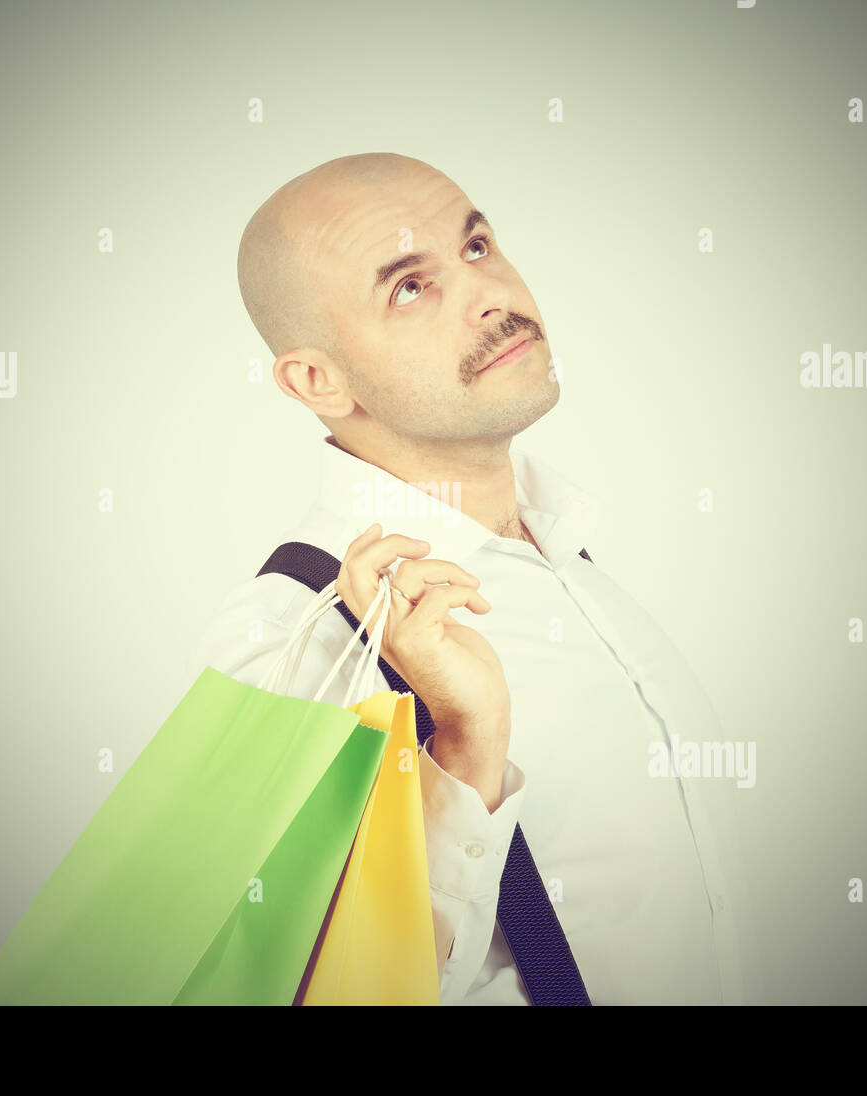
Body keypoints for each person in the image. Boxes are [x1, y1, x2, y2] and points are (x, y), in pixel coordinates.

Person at [189, 152, 760, 1005]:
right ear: (316, 380)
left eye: (479, 246)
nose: (491, 295)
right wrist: (461, 750)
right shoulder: (292, 636)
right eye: (411, 287)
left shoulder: (564, 551)